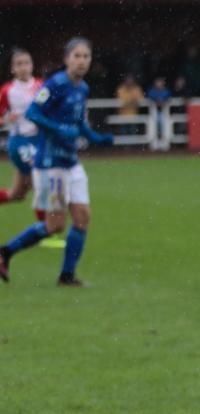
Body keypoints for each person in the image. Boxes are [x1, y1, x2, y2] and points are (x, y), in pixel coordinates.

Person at [0, 38, 113, 285]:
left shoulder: (82, 88)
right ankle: (6, 251)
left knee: (82, 217)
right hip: (51, 165)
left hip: (71, 162)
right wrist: (59, 129)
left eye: (86, 56)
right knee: (54, 225)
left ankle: (67, 275)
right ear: (67, 59)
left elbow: (79, 122)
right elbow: (33, 113)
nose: (82, 61)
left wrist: (95, 137)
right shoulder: (55, 85)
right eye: (77, 56)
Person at [0, 48, 43, 210]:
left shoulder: (41, 86)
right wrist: (5, 119)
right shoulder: (7, 91)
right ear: (12, 69)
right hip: (20, 142)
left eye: (26, 63)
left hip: (39, 140)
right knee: (40, 183)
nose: (23, 67)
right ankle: (48, 231)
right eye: (19, 64)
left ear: (32, 65)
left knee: (17, 194)